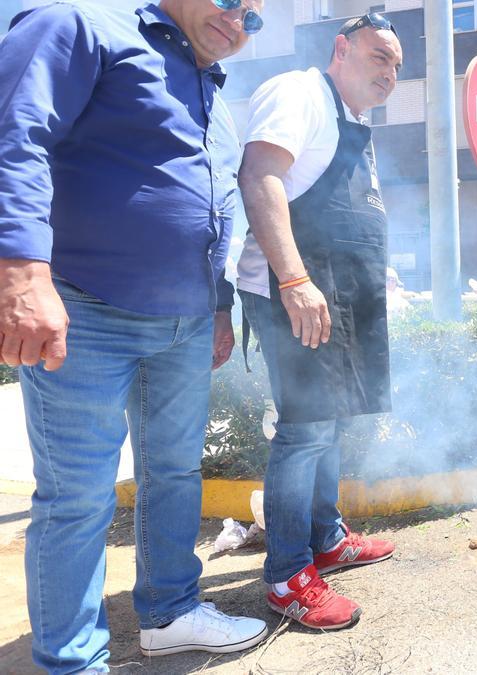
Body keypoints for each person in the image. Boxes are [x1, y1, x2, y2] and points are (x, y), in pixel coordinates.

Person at [0, 0, 270, 670]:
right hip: (87, 308)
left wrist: (219, 307)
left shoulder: (213, 89)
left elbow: (215, 209)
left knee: (174, 473)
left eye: (254, 18)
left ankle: (171, 612)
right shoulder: (81, 24)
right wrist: (21, 271)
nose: (239, 20)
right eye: (232, 1)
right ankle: (72, 659)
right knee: (77, 496)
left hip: (183, 323)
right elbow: (16, 133)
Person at [236, 13, 402, 630]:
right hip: (295, 291)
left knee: (330, 425)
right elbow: (261, 177)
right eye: (379, 57)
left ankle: (327, 540)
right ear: (341, 49)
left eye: (396, 66)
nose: (389, 73)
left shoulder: (356, 121)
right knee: (304, 430)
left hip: (340, 293)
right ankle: (286, 576)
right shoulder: (299, 92)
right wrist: (295, 281)